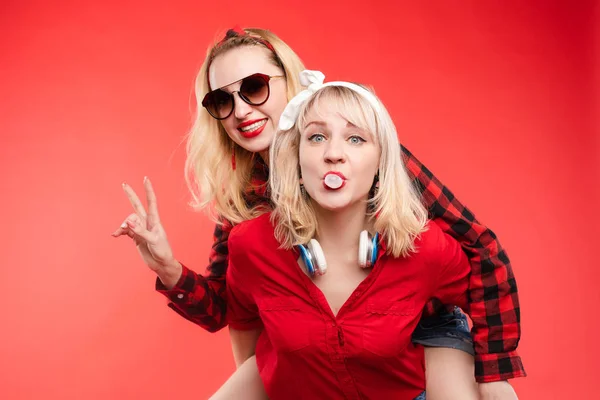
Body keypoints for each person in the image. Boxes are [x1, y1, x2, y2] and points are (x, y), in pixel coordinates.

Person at [112, 27, 524, 397]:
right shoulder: (246, 198)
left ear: (290, 83)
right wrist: (168, 268)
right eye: (222, 100)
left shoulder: (360, 152)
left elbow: (480, 247)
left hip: (420, 323)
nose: (240, 111)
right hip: (311, 336)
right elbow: (232, 308)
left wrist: (495, 370)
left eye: (254, 88)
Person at [223, 71, 480, 399]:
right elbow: (243, 317)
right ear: (298, 161)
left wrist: (490, 378)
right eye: (317, 138)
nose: (334, 153)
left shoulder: (425, 247)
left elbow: (480, 305)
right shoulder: (252, 243)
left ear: (379, 165)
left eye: (355, 139)